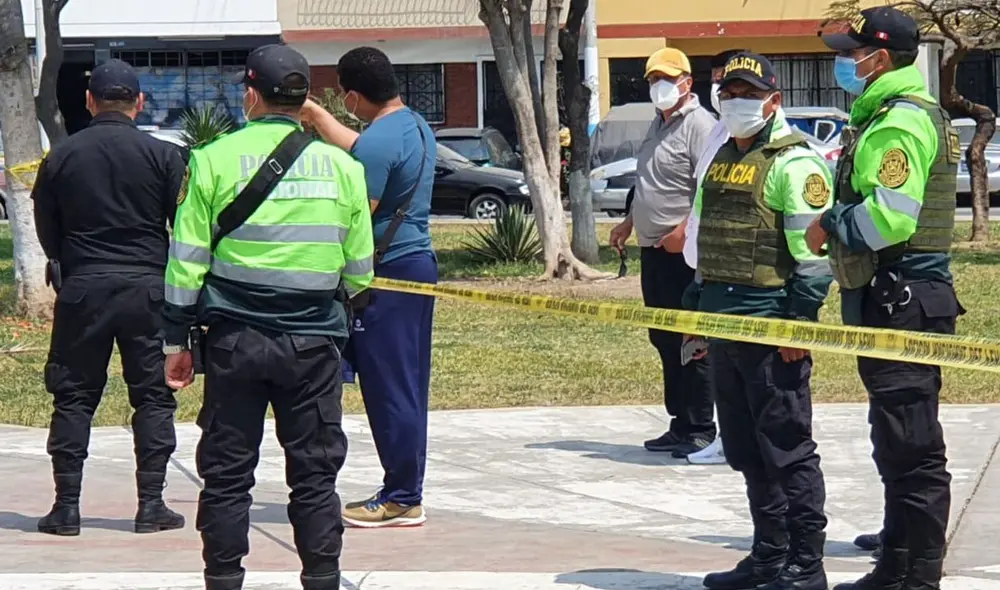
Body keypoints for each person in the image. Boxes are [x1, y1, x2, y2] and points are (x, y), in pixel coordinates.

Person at [162, 44, 374, 590]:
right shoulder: (344, 167)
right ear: (304, 100)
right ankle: (323, 578)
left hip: (234, 343)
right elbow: (360, 271)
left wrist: (176, 342)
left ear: (251, 93)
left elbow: (186, 261)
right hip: (312, 348)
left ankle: (224, 579)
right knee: (314, 476)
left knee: (228, 477)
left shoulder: (210, 160)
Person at [813, 8, 962, 590]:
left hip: (903, 296)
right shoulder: (889, 114)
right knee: (895, 438)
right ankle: (896, 562)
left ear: (880, 58)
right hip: (896, 296)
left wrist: (833, 222)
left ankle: (919, 575)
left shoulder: (898, 124)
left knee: (914, 445)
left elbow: (891, 220)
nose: (845, 61)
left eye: (852, 52)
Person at [688, 52, 833, 590]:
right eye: (728, 92)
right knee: (747, 450)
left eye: (748, 93)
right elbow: (710, 245)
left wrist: (797, 325)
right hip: (725, 328)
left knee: (788, 448)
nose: (734, 101)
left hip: (772, 331)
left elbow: (815, 262)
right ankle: (769, 556)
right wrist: (696, 315)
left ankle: (805, 564)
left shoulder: (797, 164)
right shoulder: (722, 155)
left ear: (773, 100)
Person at [31, 59, 187, 537]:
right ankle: (152, 504)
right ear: (139, 103)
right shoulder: (165, 157)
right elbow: (181, 230)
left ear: (89, 102)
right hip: (148, 290)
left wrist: (66, 265)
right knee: (154, 398)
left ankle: (67, 507)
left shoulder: (60, 156)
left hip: (84, 289)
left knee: (74, 398)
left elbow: (45, 226)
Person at [299, 46, 437, 528]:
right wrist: (316, 116)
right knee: (407, 381)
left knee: (390, 387)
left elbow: (361, 214)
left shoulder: (379, 142)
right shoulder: (411, 125)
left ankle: (402, 496)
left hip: (388, 275)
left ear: (353, 95)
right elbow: (360, 147)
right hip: (417, 266)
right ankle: (405, 488)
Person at [608, 47, 718, 458]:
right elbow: (649, 182)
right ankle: (680, 421)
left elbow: (709, 189)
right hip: (652, 250)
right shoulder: (657, 124)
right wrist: (629, 221)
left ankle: (702, 426)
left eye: (667, 79)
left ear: (687, 83)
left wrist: (685, 230)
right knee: (664, 338)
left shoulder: (701, 126)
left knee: (693, 339)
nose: (659, 86)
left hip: (683, 254)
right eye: (653, 79)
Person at [661, 48, 748, 466]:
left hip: (730, 266)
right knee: (702, 349)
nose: (722, 91)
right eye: (719, 82)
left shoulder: (712, 128)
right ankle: (717, 433)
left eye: (730, 84)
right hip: (701, 261)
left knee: (725, 356)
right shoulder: (721, 131)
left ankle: (710, 430)